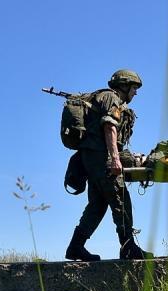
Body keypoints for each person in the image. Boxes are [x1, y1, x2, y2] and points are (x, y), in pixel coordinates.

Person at [65, 69, 153, 261]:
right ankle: (128, 248)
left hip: (91, 158)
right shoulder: (112, 98)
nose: (135, 93)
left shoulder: (103, 97)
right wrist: (115, 158)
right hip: (101, 157)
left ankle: (75, 247)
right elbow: (109, 126)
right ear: (124, 85)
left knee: (97, 205)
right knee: (120, 199)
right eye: (134, 88)